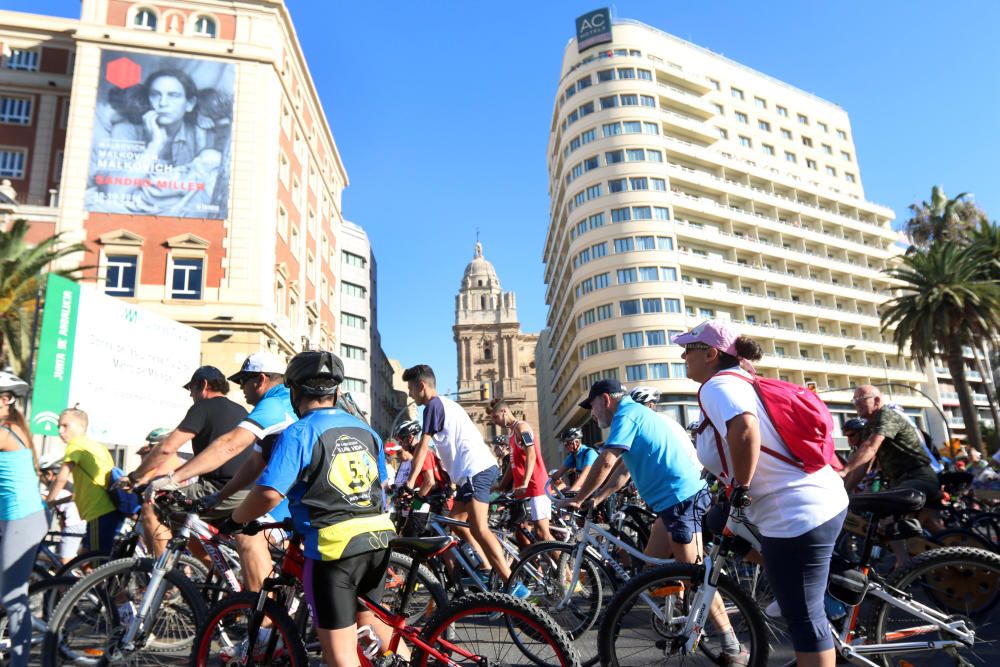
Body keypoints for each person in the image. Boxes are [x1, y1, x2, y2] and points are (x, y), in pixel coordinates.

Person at [676, 319, 848, 667]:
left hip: (797, 514)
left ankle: (813, 591)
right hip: (815, 501)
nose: (683, 356)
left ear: (711, 354)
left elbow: (745, 429)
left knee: (804, 619)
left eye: (688, 350)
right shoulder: (743, 381)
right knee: (718, 523)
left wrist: (741, 486)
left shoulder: (717, 386)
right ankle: (809, 581)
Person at [229, 351, 395, 667]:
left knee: (340, 655)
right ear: (336, 392)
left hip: (334, 550)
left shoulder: (300, 432)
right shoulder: (368, 431)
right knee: (370, 625)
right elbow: (380, 486)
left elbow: (268, 494)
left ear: (294, 392)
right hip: (378, 540)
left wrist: (235, 519)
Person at [152, 354, 296, 593]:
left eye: (243, 382)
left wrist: (173, 479)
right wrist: (219, 497)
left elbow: (230, 444)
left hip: (294, 493)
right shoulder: (286, 402)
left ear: (260, 380)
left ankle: (264, 621)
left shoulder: (274, 403)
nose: (241, 390)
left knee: (248, 534)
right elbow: (254, 463)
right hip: (293, 491)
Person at [400, 364, 527, 596]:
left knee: (479, 528)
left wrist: (409, 485)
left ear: (421, 386)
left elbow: (423, 448)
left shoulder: (433, 406)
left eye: (410, 388)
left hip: (475, 470)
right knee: (457, 522)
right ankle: (488, 568)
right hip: (473, 471)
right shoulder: (446, 405)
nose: (409, 393)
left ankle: (512, 584)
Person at [841, 385, 945, 558]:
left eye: (860, 400)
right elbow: (863, 466)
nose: (856, 404)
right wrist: (843, 491)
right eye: (854, 401)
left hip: (918, 476)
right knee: (934, 528)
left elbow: (870, 447)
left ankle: (903, 566)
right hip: (902, 482)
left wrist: (844, 470)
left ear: (876, 400)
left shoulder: (887, 416)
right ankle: (952, 556)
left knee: (886, 520)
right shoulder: (869, 427)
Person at [0, 372, 47, 667]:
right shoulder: (14, 425)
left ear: (4, 400)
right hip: (15, 517)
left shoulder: (5, 431)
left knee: (13, 596)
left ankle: (19, 662)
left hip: (22, 519)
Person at [45, 408, 127, 557]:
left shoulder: (75, 445)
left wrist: (48, 501)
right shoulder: (99, 447)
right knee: (87, 560)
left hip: (98, 511)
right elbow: (83, 491)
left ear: (81, 427)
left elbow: (61, 478)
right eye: (58, 426)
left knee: (95, 564)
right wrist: (56, 503)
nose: (60, 431)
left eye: (65, 426)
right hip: (111, 508)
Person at [490, 399, 553, 543]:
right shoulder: (512, 434)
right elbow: (513, 467)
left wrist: (524, 483)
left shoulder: (522, 428)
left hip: (536, 486)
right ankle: (533, 563)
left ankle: (567, 567)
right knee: (521, 532)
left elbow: (532, 454)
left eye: (495, 417)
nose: (494, 421)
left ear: (504, 411)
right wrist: (500, 487)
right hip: (524, 490)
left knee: (543, 533)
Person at [629, 386, 700, 464]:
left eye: (637, 407)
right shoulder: (653, 420)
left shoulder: (655, 422)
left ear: (650, 405)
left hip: (687, 466)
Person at [39, 457, 87, 564]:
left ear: (49, 474)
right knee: (70, 559)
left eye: (40, 475)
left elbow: (41, 500)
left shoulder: (57, 488)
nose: (39, 478)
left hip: (73, 524)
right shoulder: (68, 486)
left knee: (65, 561)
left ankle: (74, 580)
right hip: (78, 523)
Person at [549, 427, 598, 492]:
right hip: (588, 489)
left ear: (576, 442)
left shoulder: (590, 453)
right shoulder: (572, 456)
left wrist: (571, 491)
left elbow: (583, 476)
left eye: (567, 443)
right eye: (564, 444)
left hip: (600, 489)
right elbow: (558, 474)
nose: (565, 446)